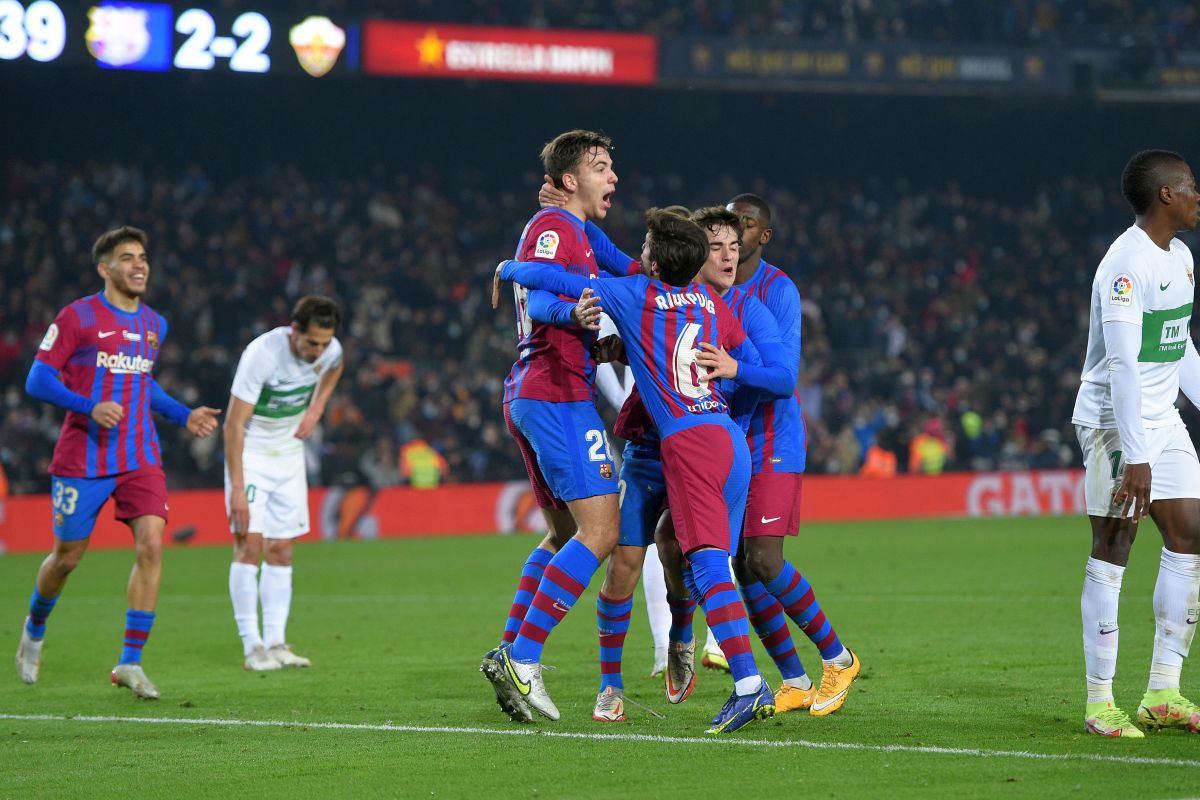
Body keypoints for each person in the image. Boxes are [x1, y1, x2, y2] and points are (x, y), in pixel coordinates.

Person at [493, 208, 792, 734]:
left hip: (688, 443)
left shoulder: (636, 296)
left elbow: (561, 278)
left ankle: (749, 684)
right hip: (726, 438)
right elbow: (744, 359)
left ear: (653, 260)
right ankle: (726, 673)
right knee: (704, 560)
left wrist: (509, 267)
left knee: (705, 565)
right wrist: (728, 368)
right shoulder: (709, 302)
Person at [575, 206, 804, 723]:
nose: (728, 257)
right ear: (693, 257)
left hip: (697, 449)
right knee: (626, 564)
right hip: (648, 452)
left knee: (686, 552)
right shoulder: (658, 293)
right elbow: (613, 261)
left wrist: (733, 370)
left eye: (732, 247)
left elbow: (777, 377)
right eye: (716, 247)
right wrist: (575, 215)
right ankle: (610, 686)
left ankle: (686, 632)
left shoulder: (733, 309)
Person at [15, 226, 221, 698]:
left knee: (152, 545)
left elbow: (141, 384)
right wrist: (87, 405)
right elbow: (38, 379)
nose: (139, 264)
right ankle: (35, 626)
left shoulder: (155, 324)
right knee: (66, 559)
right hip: (83, 456)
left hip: (140, 456)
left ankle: (130, 662)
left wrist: (183, 415)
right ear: (105, 269)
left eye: (143, 256)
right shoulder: (78, 317)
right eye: (127, 257)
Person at [480, 130, 621, 723]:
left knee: (564, 534)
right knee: (602, 530)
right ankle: (525, 658)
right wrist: (574, 308)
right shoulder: (556, 228)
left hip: (540, 392)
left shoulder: (578, 232)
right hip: (556, 392)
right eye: (600, 167)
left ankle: (509, 652)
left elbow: (633, 271)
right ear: (568, 180)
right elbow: (537, 298)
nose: (612, 177)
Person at [1071, 149, 1200, 737]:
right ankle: (1100, 701)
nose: (1199, 195)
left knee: (1189, 534)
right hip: (1111, 421)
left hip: (1162, 417)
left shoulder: (1181, 256)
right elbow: (1122, 365)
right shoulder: (1124, 265)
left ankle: (1163, 692)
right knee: (1115, 542)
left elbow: (1179, 349)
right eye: (1191, 187)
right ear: (1165, 196)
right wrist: (1136, 454)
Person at [719, 193, 861, 716]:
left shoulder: (777, 291)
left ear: (763, 236)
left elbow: (783, 378)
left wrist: (732, 370)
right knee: (742, 564)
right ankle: (795, 679)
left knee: (764, 558)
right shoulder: (710, 288)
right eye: (730, 222)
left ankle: (838, 657)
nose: (737, 230)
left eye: (747, 224)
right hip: (731, 439)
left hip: (773, 440)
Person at [224, 296, 344, 671]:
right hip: (253, 453)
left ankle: (276, 643)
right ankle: (252, 648)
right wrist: (238, 489)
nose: (319, 351)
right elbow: (233, 426)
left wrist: (317, 408)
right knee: (250, 545)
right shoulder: (262, 355)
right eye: (312, 344)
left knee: (282, 549)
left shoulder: (331, 350)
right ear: (294, 332)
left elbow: (336, 365)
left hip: (289, 453)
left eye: (324, 343)